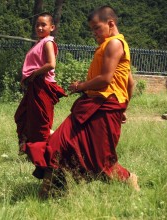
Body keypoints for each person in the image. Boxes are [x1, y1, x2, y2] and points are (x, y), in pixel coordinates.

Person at [28, 6, 140, 198]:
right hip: (92, 105)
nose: (94, 33)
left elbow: (106, 79)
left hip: (105, 106)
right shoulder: (108, 45)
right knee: (56, 145)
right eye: (92, 29)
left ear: (111, 24)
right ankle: (47, 194)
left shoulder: (114, 44)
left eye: (97, 28)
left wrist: (81, 85)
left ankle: (129, 178)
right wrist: (124, 106)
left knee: (100, 161)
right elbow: (129, 82)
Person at [14, 12, 66, 179]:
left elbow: (51, 64)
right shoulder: (39, 43)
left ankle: (52, 160)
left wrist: (34, 74)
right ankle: (42, 159)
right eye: (37, 24)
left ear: (52, 27)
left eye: (43, 25)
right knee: (24, 118)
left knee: (41, 127)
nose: (39, 27)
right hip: (35, 87)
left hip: (42, 86)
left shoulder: (48, 42)